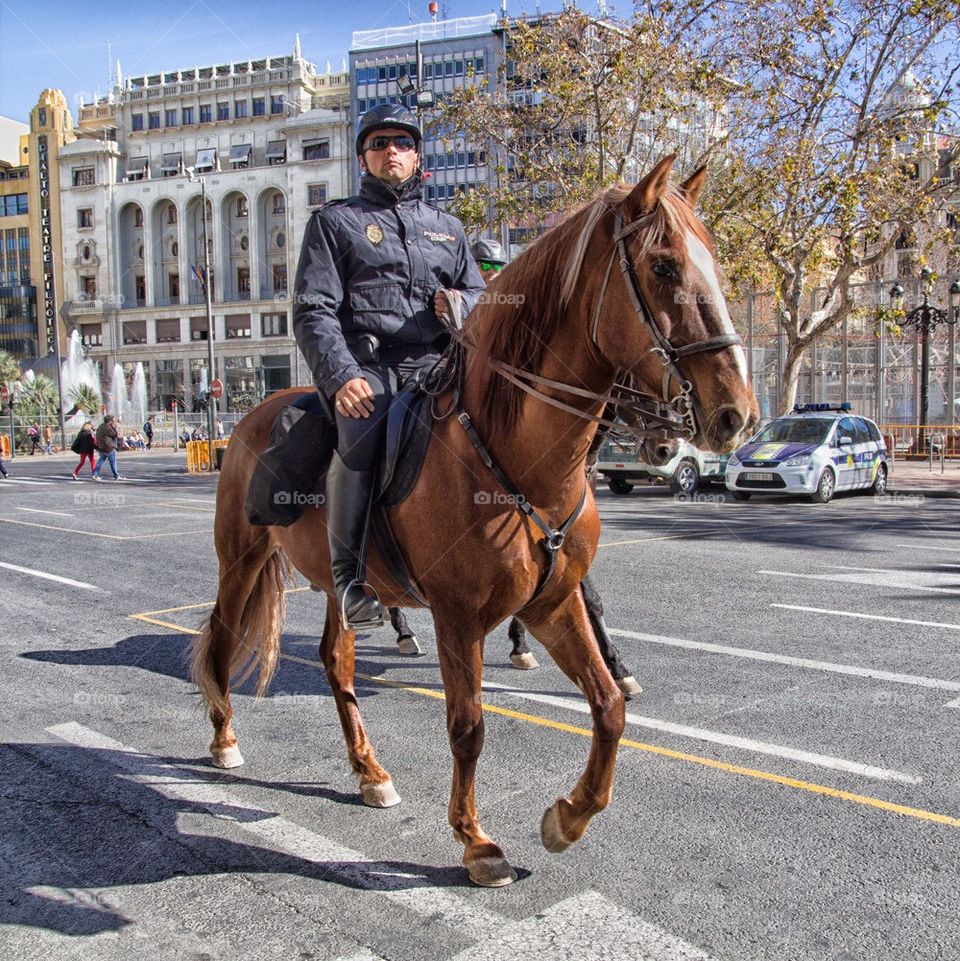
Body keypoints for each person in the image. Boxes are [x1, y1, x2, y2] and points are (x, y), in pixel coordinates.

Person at [294, 103, 485, 630]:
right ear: (363, 159)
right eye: (378, 144)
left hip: (441, 364)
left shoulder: (447, 226)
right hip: (370, 368)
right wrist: (340, 378)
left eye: (401, 142)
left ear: (417, 155)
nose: (390, 152)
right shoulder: (335, 222)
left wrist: (461, 305)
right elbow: (313, 310)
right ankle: (350, 580)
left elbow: (480, 297)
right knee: (361, 431)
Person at [92, 414, 123, 481]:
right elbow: (115, 435)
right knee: (113, 462)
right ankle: (116, 476)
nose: (114, 422)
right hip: (109, 448)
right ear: (110, 421)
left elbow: (97, 436)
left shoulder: (100, 426)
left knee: (100, 462)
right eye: (113, 420)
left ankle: (95, 474)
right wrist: (114, 427)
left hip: (101, 447)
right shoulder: (108, 428)